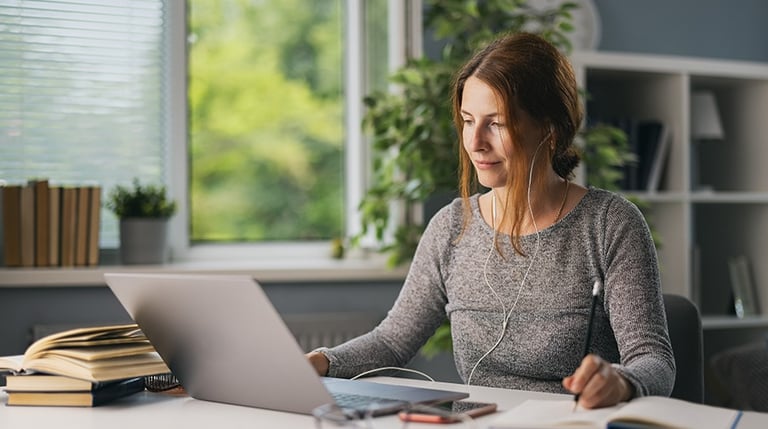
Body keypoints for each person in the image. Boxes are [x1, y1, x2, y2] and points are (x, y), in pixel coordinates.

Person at [307, 32, 675, 409]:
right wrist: (319, 362)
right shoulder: (451, 227)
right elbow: (391, 341)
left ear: (549, 128)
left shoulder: (610, 225)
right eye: (468, 121)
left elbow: (654, 360)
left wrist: (621, 381)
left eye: (495, 124)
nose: (476, 142)